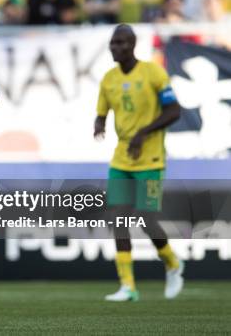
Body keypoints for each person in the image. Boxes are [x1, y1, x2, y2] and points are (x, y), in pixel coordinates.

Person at [94, 24, 184, 302]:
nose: (115, 47)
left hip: (151, 159)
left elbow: (174, 110)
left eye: (120, 43)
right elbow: (102, 111)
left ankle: (172, 262)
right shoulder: (108, 79)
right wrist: (99, 123)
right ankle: (128, 286)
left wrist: (143, 133)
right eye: (112, 43)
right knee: (118, 218)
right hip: (121, 160)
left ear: (132, 45)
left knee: (146, 218)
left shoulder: (153, 73)